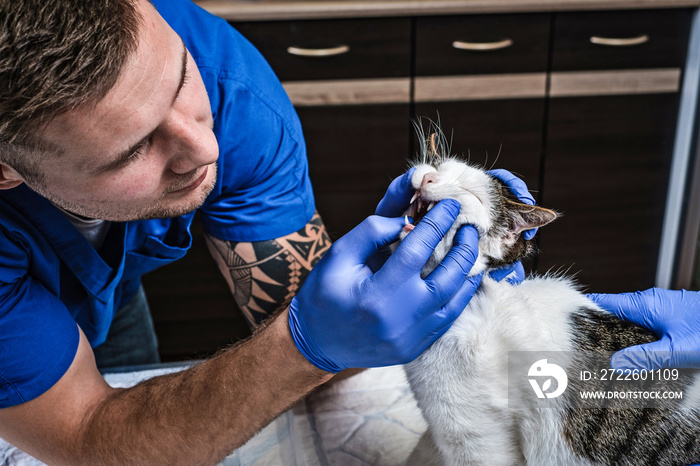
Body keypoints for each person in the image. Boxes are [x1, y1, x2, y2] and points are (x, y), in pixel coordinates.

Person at [0, 0, 538, 463]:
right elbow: (90, 435)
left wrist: (384, 286)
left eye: (181, 80)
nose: (207, 150)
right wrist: (301, 347)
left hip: (112, 290)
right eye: (133, 150)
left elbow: (333, 342)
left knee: (123, 358)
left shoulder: (230, 88)